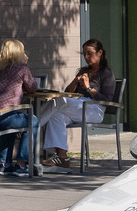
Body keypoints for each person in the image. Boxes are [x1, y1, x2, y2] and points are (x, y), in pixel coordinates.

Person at [38, 38, 115, 169]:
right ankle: (62, 158)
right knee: (56, 115)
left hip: (95, 110)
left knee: (58, 102)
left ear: (100, 53)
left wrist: (89, 88)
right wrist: (75, 81)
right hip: (79, 106)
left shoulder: (106, 74)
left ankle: (31, 126)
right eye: (84, 54)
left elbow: (107, 100)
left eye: (89, 53)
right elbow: (68, 92)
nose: (86, 57)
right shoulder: (83, 71)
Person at [0, 39, 40, 177]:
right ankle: (21, 164)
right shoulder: (21, 68)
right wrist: (25, 66)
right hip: (3, 118)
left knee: (12, 119)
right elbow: (33, 88)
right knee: (33, 120)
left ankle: (3, 164)